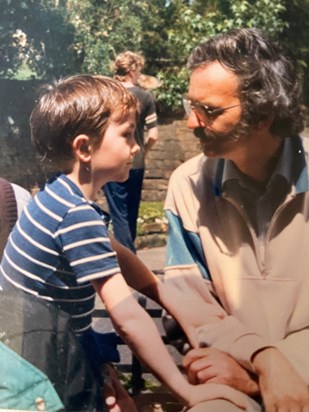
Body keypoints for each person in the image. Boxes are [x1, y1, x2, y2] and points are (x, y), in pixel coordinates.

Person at [0, 75, 247, 411]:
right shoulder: (75, 215)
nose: (137, 146)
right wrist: (185, 391)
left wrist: (164, 296)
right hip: (44, 370)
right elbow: (128, 318)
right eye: (127, 134)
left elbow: (119, 254)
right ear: (85, 148)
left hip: (31, 348)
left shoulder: (57, 195)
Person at [163, 28, 309, 411]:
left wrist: (271, 372)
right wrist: (264, 360)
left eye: (208, 111)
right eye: (189, 105)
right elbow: (192, 309)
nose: (192, 123)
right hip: (233, 372)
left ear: (263, 114)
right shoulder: (187, 184)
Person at [103, 51, 159, 253]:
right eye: (139, 70)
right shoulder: (145, 96)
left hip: (112, 160)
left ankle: (128, 261)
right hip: (137, 161)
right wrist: (144, 151)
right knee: (132, 211)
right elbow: (153, 135)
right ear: (132, 70)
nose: (140, 74)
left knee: (119, 214)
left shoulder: (108, 94)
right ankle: (130, 260)